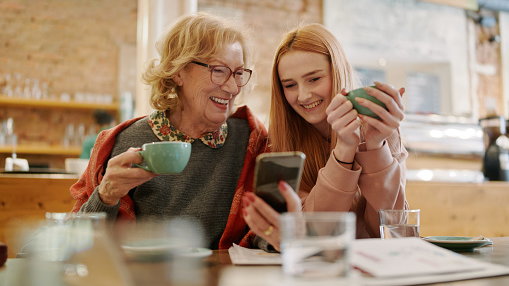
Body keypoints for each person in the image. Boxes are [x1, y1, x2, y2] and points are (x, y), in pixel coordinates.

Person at [69, 13, 268, 250]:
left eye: (238, 73)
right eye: (219, 70)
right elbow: (73, 243)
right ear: (179, 71)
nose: (233, 87)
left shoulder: (251, 140)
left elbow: (264, 234)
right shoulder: (125, 141)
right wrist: (106, 194)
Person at [242, 23, 408, 251]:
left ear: (337, 72)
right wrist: (343, 151)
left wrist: (376, 146)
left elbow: (390, 228)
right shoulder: (281, 143)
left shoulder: (380, 128)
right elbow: (311, 233)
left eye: (314, 79)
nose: (303, 95)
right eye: (290, 85)